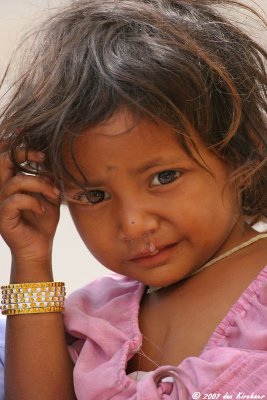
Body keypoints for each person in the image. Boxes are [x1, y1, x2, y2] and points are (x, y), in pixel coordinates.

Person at [0, 0, 266, 398]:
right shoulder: (91, 320)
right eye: (94, 195)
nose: (133, 223)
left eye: (164, 177)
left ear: (236, 153)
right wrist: (32, 260)